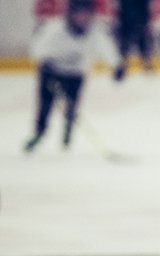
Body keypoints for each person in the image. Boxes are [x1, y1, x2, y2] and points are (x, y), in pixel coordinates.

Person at [25, 0, 117, 153]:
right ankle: (39, 132)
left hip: (75, 72)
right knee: (45, 105)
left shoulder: (95, 31)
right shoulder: (55, 29)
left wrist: (116, 65)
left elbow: (106, 47)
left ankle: (68, 130)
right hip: (52, 71)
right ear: (70, 14)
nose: (82, 18)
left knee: (72, 105)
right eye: (78, 14)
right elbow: (37, 50)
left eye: (85, 14)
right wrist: (46, 65)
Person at [111, 0, 152, 80]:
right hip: (126, 18)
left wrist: (145, 20)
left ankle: (147, 64)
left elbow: (146, 5)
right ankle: (120, 67)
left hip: (138, 17)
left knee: (141, 43)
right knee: (124, 46)